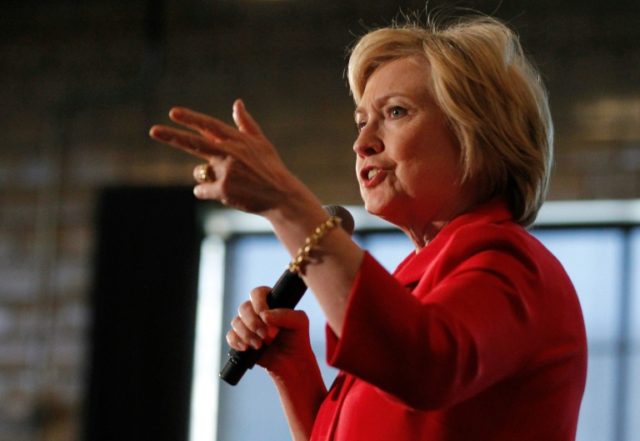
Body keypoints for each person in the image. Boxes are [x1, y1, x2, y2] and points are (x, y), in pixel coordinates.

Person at [149, 13, 587, 441]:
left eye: (396, 112)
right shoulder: (413, 287)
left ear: (479, 134)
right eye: (361, 122)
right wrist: (294, 368)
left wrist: (286, 204)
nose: (362, 143)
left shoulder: (515, 266)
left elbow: (424, 366)